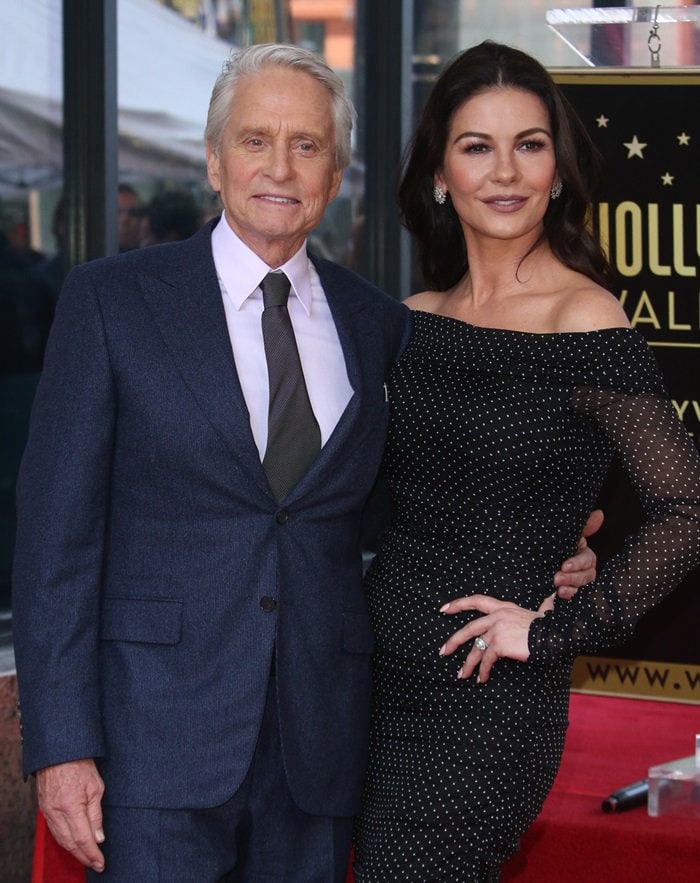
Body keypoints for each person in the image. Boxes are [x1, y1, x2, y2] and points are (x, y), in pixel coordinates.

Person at [12, 44, 597, 882]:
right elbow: (54, 545)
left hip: (320, 751)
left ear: (337, 171)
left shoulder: (378, 326)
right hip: (153, 752)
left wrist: (547, 545)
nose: (280, 167)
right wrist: (62, 746)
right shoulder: (112, 302)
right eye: (255, 141)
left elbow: (412, 508)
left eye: (308, 145)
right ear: (214, 161)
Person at [352, 41, 700, 882]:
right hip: (365, 679)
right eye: (477, 145)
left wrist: (553, 631)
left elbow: (688, 509)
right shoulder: (411, 320)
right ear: (440, 173)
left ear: (557, 165)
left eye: (530, 143)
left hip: (483, 706)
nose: (506, 171)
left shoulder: (584, 317)